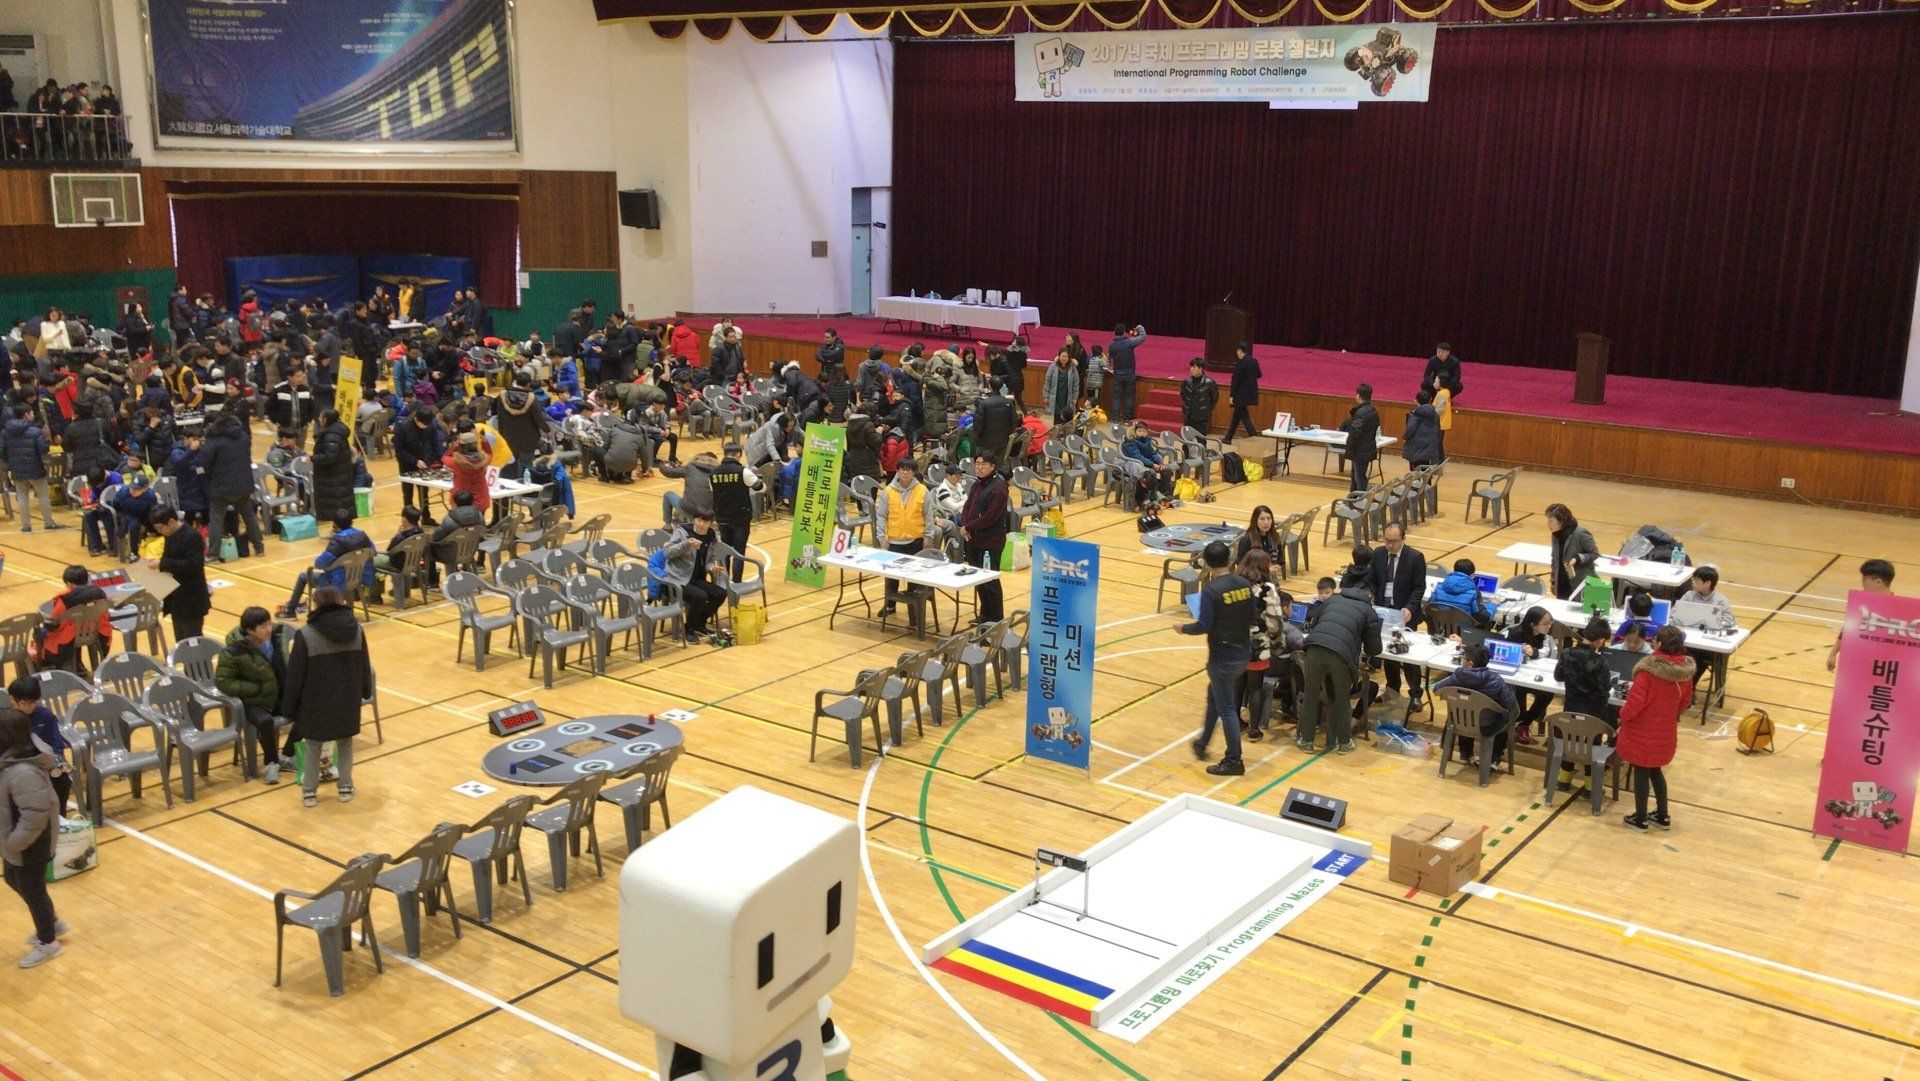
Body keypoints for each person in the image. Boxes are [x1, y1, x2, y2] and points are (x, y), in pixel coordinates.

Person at [283, 587, 373, 807]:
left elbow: (296, 674)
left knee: (313, 745)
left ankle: (309, 792)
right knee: (345, 743)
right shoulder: (357, 629)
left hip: (316, 699)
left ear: (317, 604)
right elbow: (364, 663)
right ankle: (345, 786)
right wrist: (365, 691)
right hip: (347, 696)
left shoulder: (306, 634)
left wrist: (290, 707)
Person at [1174, 541, 1258, 775]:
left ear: (1207, 563)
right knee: (1214, 696)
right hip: (1243, 653)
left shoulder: (1211, 590)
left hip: (1222, 658)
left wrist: (1183, 628)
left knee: (1228, 709)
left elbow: (1203, 625)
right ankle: (1202, 744)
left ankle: (1234, 760)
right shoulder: (1244, 584)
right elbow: (1253, 616)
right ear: (1229, 559)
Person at [0, 710, 65, 968]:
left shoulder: (24, 772)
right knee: (13, 879)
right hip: (15, 842)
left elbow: (35, 817)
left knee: (33, 890)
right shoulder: (10, 762)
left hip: (30, 843)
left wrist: (13, 843)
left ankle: (49, 942)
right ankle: (52, 922)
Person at [1617, 625, 1696, 832]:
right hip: (1666, 730)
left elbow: (1634, 704)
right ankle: (1662, 815)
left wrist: (1623, 715)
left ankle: (1640, 819)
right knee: (1655, 770)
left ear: (1659, 643)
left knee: (1641, 771)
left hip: (1642, 729)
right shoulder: (1685, 673)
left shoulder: (1648, 671)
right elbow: (1685, 701)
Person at [1298, 574, 1382, 754]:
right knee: (1342, 699)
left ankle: (1306, 741)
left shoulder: (1331, 600)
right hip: (1340, 655)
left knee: (1311, 695)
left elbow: (1314, 623)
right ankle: (1344, 743)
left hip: (1314, 649)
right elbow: (1374, 649)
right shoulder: (1369, 611)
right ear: (1370, 597)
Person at [215, 607, 289, 784]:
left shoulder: (276, 641)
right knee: (265, 721)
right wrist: (255, 689)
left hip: (274, 695)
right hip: (250, 701)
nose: (269, 629)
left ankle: (287, 756)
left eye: (269, 624)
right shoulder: (232, 652)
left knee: (306, 709)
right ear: (249, 630)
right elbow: (224, 682)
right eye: (263, 626)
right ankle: (271, 762)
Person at [1237, 550, 1296, 741]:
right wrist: (1278, 645)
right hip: (1257, 644)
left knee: (1238, 684)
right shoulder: (1267, 589)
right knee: (1255, 686)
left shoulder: (1235, 584)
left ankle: (1235, 722)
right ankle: (1254, 729)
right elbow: (1274, 621)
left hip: (1235, 644)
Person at [1367, 522, 1428, 707]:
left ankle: (1415, 694)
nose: (1390, 545)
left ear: (1403, 539)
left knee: (1409, 657)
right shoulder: (1378, 553)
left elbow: (1419, 587)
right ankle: (1392, 690)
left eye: (1394, 541)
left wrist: (1410, 607)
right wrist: (1371, 596)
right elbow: (1372, 580)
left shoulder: (1415, 557)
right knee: (1388, 653)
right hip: (1384, 611)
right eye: (1387, 540)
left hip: (1405, 613)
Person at [1552, 617, 1617, 790]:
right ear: (1600, 640)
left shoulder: (1567, 653)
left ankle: (1564, 780)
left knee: (1570, 741)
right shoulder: (1600, 662)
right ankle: (1591, 787)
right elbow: (1605, 688)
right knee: (1592, 746)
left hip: (1571, 709)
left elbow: (1558, 676)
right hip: (1594, 713)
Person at [1432, 642, 1520, 767]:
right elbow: (1511, 705)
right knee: (1505, 715)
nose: (1462, 660)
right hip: (1487, 726)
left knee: (1463, 710)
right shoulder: (1496, 680)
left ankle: (1465, 753)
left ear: (1470, 663)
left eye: (1463, 658)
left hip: (1460, 723)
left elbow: (1436, 689)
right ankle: (1493, 758)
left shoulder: (1457, 677)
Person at [874, 457, 939, 620]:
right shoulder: (888, 491)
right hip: (894, 541)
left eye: (909, 470)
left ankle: (914, 609)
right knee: (891, 577)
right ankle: (890, 605)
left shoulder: (922, 490)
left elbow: (928, 515)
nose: (905, 472)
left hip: (915, 540)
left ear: (914, 472)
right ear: (897, 471)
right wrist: (881, 536)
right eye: (902, 469)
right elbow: (881, 515)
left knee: (913, 577)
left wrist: (928, 536)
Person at [278, 513, 373, 618]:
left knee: (303, 576)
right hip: (358, 579)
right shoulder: (362, 536)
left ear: (335, 524)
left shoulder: (337, 542)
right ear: (352, 522)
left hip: (336, 582)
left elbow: (319, 564)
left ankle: (290, 611)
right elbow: (372, 552)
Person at [951, 455, 1008, 625]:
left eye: (984, 464)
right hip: (973, 539)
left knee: (990, 580)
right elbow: (968, 506)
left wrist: (969, 527)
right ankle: (985, 615)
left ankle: (996, 618)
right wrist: (964, 525)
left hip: (990, 541)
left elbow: (990, 516)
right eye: (977, 464)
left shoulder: (999, 487)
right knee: (978, 579)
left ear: (992, 466)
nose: (980, 467)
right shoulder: (977, 485)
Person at [201, 409, 264, 562]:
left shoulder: (214, 440)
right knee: (249, 516)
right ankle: (259, 547)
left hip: (221, 486)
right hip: (243, 484)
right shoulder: (243, 437)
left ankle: (213, 554)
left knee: (217, 519)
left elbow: (205, 463)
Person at [661, 505, 728, 643]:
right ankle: (689, 629)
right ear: (694, 519)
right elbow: (668, 553)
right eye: (699, 520)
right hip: (677, 579)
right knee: (700, 596)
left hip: (696, 578)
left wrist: (711, 567)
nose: (701, 524)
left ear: (710, 523)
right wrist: (686, 544)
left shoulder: (711, 535)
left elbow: (709, 558)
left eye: (705, 521)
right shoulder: (682, 533)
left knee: (720, 593)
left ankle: (699, 623)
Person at [8, 679, 70, 816]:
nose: (29, 707)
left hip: (42, 763)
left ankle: (60, 817)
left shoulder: (45, 715)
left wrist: (56, 760)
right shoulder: (6, 719)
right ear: (12, 699)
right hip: (16, 766)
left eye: (33, 703)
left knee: (63, 781)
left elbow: (56, 743)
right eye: (24, 703)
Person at [32, 566, 114, 672]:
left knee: (41, 631)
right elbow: (106, 615)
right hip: (95, 633)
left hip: (70, 637)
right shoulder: (100, 594)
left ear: (69, 584)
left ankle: (43, 664)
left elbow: (55, 621)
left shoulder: (65, 599)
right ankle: (78, 664)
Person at [149, 507, 210, 641]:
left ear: (171, 522)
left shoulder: (192, 536)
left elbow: (194, 565)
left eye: (160, 528)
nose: (159, 532)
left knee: (193, 640)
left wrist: (162, 564)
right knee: (181, 640)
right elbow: (169, 558)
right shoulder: (169, 535)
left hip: (191, 598)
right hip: (176, 598)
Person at [1, 399, 60, 531]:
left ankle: (26, 525)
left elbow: (2, 450)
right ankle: (48, 523)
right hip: (36, 467)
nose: (33, 415)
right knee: (43, 495)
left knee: (22, 497)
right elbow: (43, 449)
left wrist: (9, 463)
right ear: (25, 415)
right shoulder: (35, 431)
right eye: (32, 413)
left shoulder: (5, 432)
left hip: (16, 468)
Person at [1827, 559, 1896, 672]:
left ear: (1878, 581)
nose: (1862, 583)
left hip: (1883, 668)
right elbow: (1847, 630)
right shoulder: (1861, 606)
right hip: (1860, 665)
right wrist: (1833, 654)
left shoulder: (1899, 610)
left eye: (1864, 579)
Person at [1505, 605, 1557, 743]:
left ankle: (1524, 723)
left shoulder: (1544, 636)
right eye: (1545, 623)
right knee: (1519, 694)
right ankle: (1519, 719)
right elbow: (1508, 652)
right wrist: (1520, 650)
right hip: (1516, 676)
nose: (1549, 626)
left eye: (1550, 623)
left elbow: (1546, 651)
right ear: (1533, 625)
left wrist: (1533, 652)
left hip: (1534, 675)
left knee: (1547, 694)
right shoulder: (1515, 633)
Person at [708, 444, 758, 579]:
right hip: (740, 518)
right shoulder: (743, 471)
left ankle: (724, 583)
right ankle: (736, 583)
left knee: (725, 551)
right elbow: (760, 487)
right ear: (739, 454)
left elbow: (713, 491)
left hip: (721, 518)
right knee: (739, 553)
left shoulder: (713, 473)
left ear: (724, 453)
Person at [309, 409, 356, 523]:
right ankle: (339, 526)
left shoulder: (331, 436)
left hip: (333, 477)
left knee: (337, 505)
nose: (319, 419)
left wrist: (313, 458)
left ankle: (339, 526)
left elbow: (330, 457)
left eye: (320, 417)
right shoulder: (337, 431)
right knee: (340, 504)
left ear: (325, 419)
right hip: (338, 475)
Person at [1545, 503, 1599, 600]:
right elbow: (1555, 560)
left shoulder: (1580, 533)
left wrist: (1578, 558)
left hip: (1579, 585)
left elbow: (1594, 554)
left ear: (1561, 521)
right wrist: (1553, 581)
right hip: (1562, 583)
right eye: (1548, 520)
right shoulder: (1555, 535)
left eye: (1551, 520)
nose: (1548, 524)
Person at [429, 490, 486, 580]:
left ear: (455, 503)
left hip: (450, 554)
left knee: (427, 548)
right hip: (470, 551)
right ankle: (468, 574)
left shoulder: (449, 520)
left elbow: (436, 537)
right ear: (472, 502)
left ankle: (432, 582)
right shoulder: (480, 516)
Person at [1427, 558, 1495, 627]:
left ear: (1454, 571)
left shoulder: (1438, 588)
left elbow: (1428, 608)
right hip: (1464, 632)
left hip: (1439, 629)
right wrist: (1492, 604)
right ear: (1471, 575)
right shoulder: (1474, 593)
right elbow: (1484, 618)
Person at [1339, 383, 1381, 495]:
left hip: (1360, 450)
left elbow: (1355, 433)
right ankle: (1353, 498)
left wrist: (1350, 446)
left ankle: (1363, 499)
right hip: (1367, 447)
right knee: (1356, 476)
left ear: (1358, 395)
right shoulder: (1372, 410)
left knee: (1359, 477)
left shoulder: (1361, 413)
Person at [1121, 421, 1175, 507]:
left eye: (1144, 431)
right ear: (1135, 432)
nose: (1142, 433)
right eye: (1139, 431)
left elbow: (1152, 453)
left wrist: (1159, 462)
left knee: (1166, 469)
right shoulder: (1130, 442)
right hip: (1137, 465)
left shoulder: (1147, 441)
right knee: (1151, 474)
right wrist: (1152, 465)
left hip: (1148, 463)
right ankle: (1150, 498)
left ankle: (1163, 494)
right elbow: (1138, 457)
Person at [444, 430, 492, 516]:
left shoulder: (456, 462)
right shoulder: (485, 459)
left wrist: (455, 446)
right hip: (480, 497)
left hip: (460, 498)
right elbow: (489, 453)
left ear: (461, 446)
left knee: (460, 522)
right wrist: (484, 442)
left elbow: (445, 457)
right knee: (479, 522)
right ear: (476, 444)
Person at [1107, 323, 1146, 421]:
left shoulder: (1111, 345)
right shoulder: (1129, 342)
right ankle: (1127, 418)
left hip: (1117, 374)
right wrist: (1139, 327)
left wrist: (1108, 368)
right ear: (1124, 332)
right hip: (1129, 373)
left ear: (1114, 332)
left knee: (1116, 397)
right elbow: (1142, 336)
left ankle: (1115, 419)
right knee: (1129, 396)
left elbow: (1108, 360)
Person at [1225, 343, 1261, 441]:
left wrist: (1232, 395)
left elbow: (1236, 380)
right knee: (1237, 415)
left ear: (1239, 350)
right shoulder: (1254, 361)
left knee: (1244, 417)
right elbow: (1258, 374)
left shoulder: (1240, 363)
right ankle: (1228, 437)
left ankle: (1254, 437)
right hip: (1251, 393)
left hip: (1241, 394)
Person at [1236, 505, 1285, 570]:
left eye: (1269, 518)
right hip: (1252, 575)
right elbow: (1241, 565)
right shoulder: (1247, 539)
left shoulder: (1274, 536)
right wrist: (1266, 570)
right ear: (1255, 521)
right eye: (1262, 519)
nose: (1266, 522)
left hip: (1269, 574)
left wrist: (1277, 565)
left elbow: (1280, 558)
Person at [1402, 390, 1442, 469]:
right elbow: (1439, 430)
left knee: (1416, 471)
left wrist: (1405, 437)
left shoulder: (1415, 414)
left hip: (1416, 449)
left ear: (1417, 401)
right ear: (1430, 400)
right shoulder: (1435, 414)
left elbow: (1410, 429)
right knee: (1427, 471)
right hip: (1431, 448)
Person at [1042, 347, 1079, 425]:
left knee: (1066, 416)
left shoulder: (1072, 367)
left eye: (1066, 357)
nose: (1064, 358)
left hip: (1067, 397)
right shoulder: (1053, 366)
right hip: (1055, 396)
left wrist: (1075, 397)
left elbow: (1076, 383)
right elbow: (1047, 381)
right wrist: (1046, 396)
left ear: (1069, 358)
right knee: (1057, 416)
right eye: (1062, 356)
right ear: (1059, 356)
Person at [1179, 359, 1217, 434]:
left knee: (1201, 439)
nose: (1191, 369)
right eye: (1191, 367)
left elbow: (1214, 398)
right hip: (1189, 416)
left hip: (1202, 417)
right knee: (1187, 439)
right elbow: (1183, 395)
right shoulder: (1186, 382)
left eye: (1194, 367)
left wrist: (1206, 409)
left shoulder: (1209, 383)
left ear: (1200, 368)